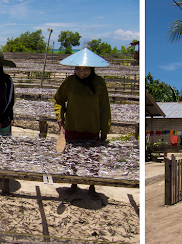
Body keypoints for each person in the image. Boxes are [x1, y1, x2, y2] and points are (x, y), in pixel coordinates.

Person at [54, 48, 111, 200]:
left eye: (85, 69)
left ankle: (92, 185)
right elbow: (59, 100)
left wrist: (104, 129)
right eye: (78, 68)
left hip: (92, 127)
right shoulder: (69, 82)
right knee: (72, 157)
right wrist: (60, 115)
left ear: (92, 68)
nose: (81, 72)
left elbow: (105, 107)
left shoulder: (100, 83)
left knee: (92, 158)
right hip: (73, 126)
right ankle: (74, 183)